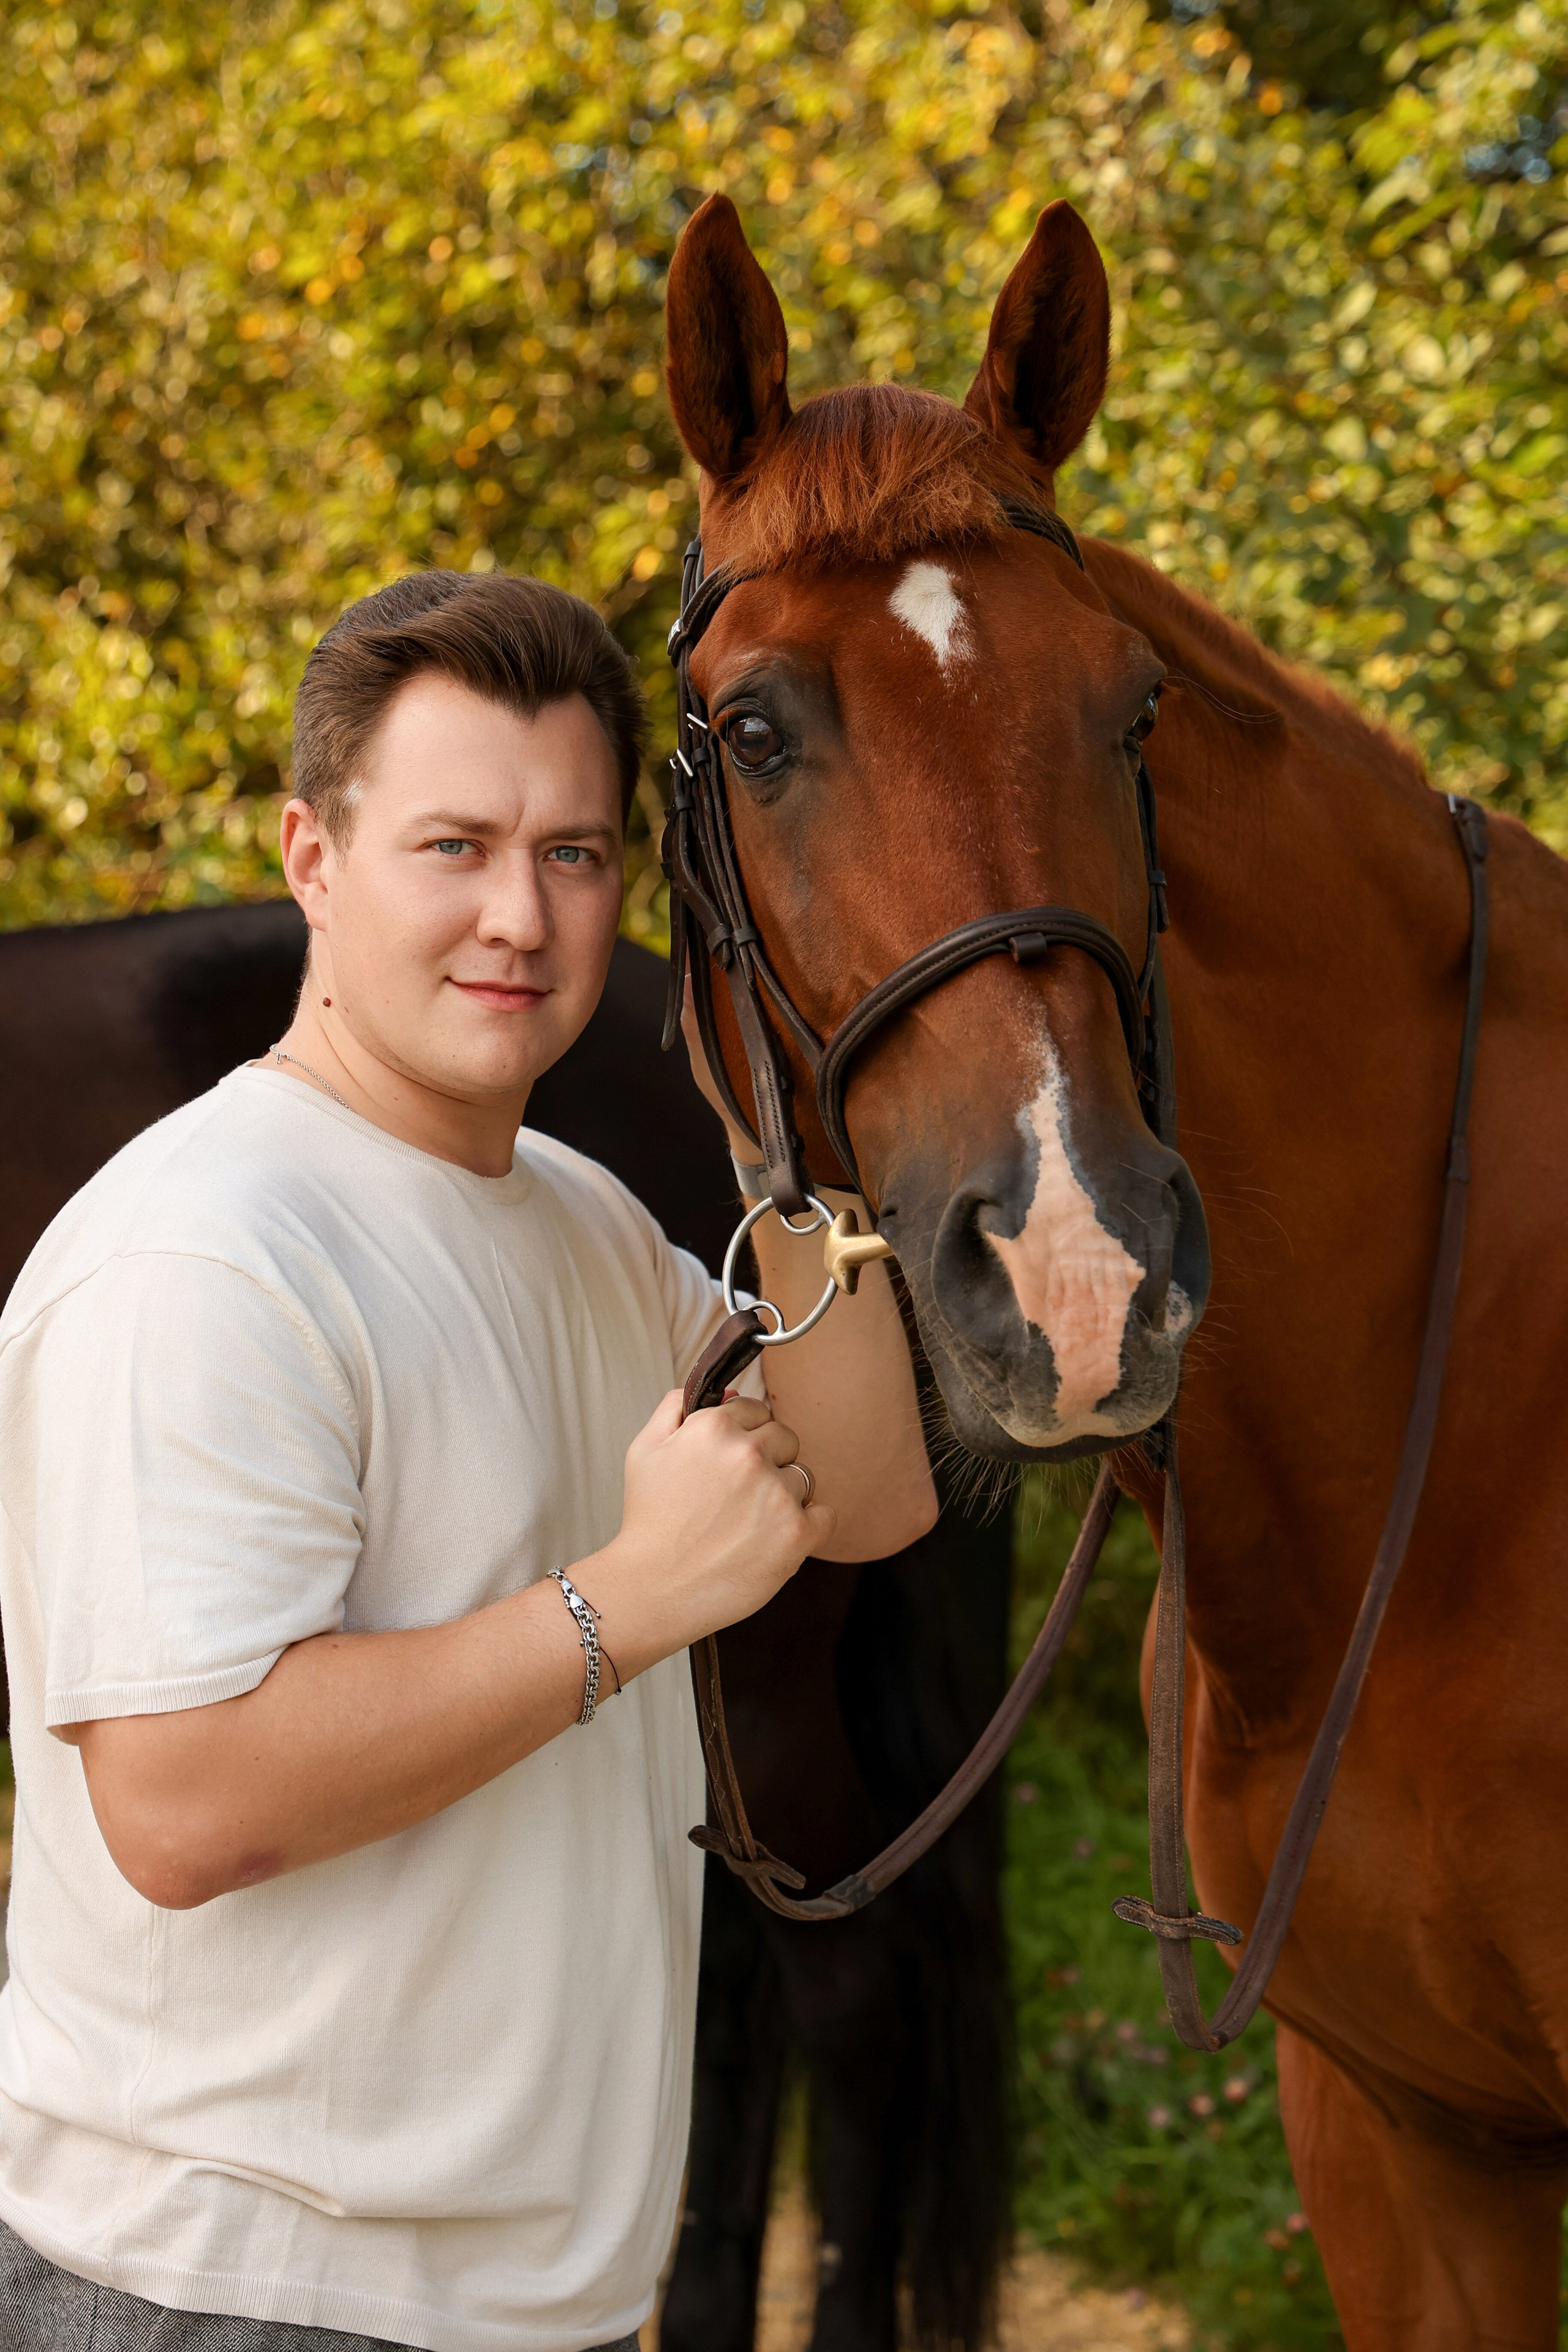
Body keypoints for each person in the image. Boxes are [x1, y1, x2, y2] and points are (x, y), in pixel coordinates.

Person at [0, 570, 935, 2351]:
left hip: (528, 2300)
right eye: (455, 845)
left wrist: (790, 1146)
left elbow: (869, 1496)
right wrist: (626, 1604)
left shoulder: (575, 1219)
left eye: (577, 855)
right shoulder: (202, 1250)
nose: (522, 914)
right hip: (229, 2294)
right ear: (313, 858)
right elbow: (187, 1804)